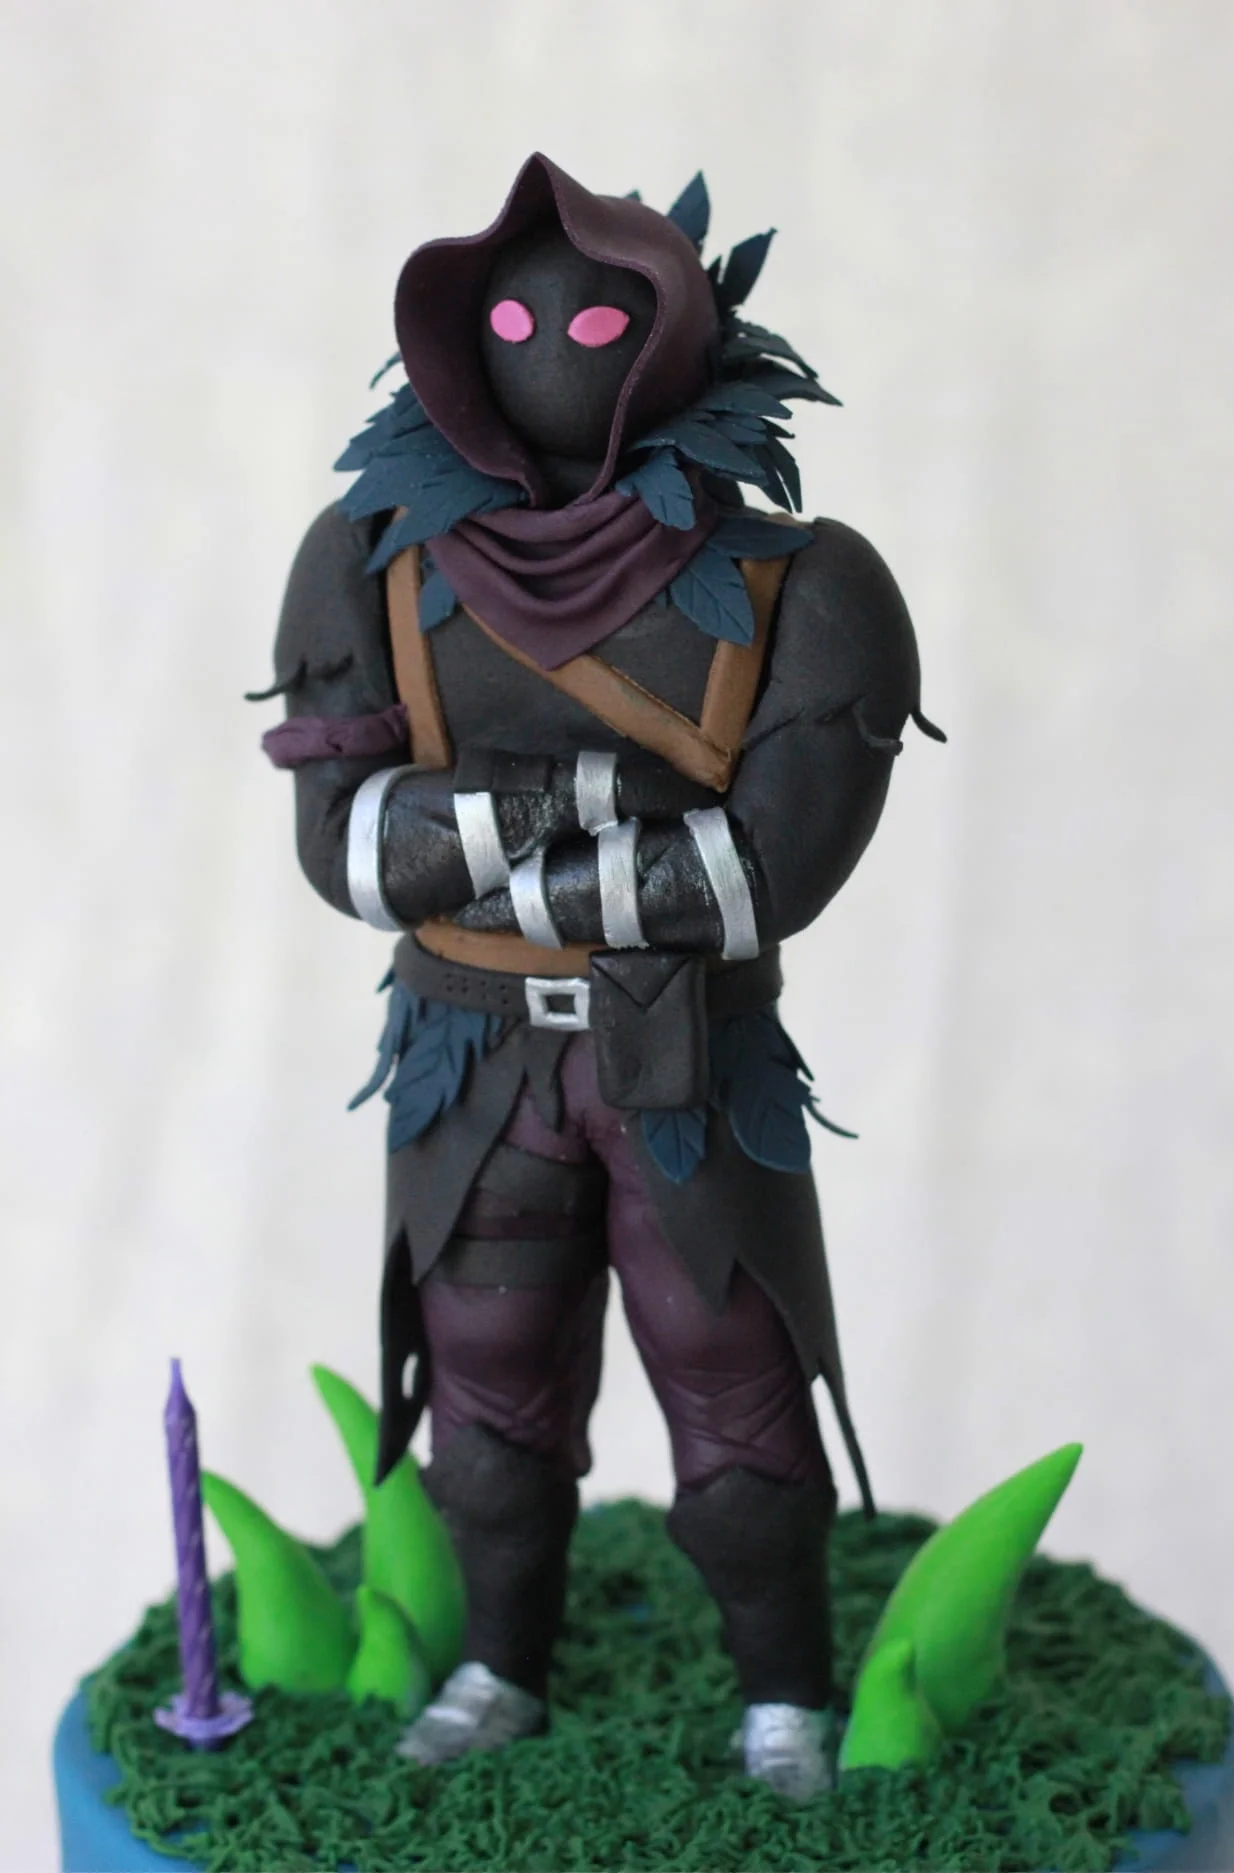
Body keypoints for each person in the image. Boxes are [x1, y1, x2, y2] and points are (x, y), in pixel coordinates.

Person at [257, 152, 941, 1801]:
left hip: (688, 1064)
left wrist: (475, 842)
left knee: (737, 1382)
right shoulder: (371, 559)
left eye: (597, 322)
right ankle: (499, 1665)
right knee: (483, 1393)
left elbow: (763, 873)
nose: (555, 349)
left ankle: (785, 1698)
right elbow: (345, 856)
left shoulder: (808, 582)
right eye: (513, 323)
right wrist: (589, 799)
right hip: (470, 1062)